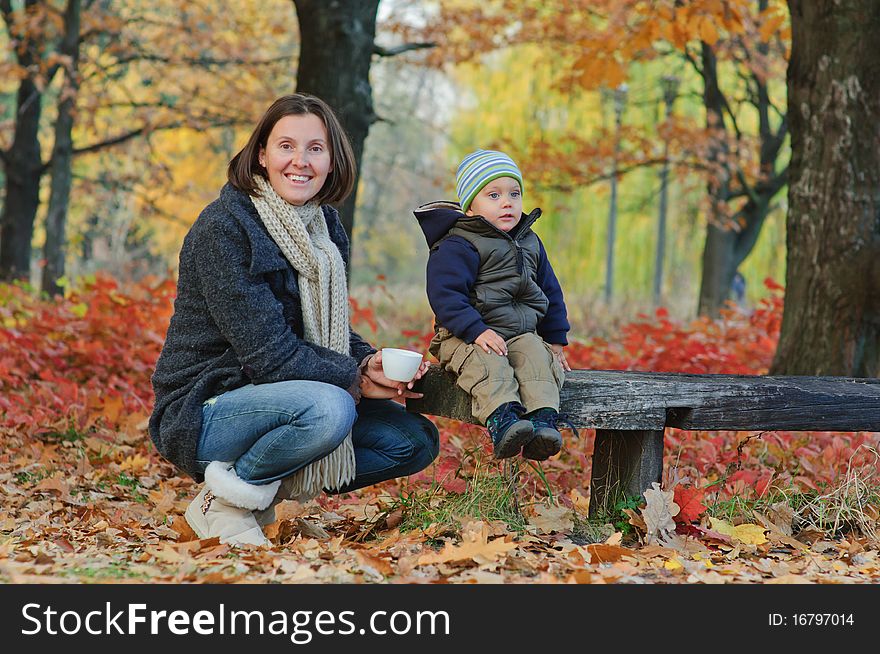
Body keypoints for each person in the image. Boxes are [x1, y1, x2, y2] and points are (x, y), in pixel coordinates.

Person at [149, 93, 439, 547]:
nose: (299, 161)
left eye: (315, 148)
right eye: (286, 146)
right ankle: (221, 504)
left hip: (284, 395)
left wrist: (370, 360)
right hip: (207, 407)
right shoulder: (225, 229)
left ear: (331, 161)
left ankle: (254, 496)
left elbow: (324, 329)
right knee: (331, 408)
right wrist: (355, 377)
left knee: (413, 440)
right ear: (261, 155)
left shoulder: (324, 228)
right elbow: (270, 356)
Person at [414, 149, 572, 462]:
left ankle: (542, 422)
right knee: (489, 361)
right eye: (494, 194)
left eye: (515, 194)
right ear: (470, 206)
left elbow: (550, 291)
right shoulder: (458, 243)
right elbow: (445, 295)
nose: (507, 202)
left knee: (536, 357)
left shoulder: (530, 242)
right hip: (465, 334)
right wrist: (476, 330)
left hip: (517, 333)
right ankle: (504, 420)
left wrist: (555, 340)